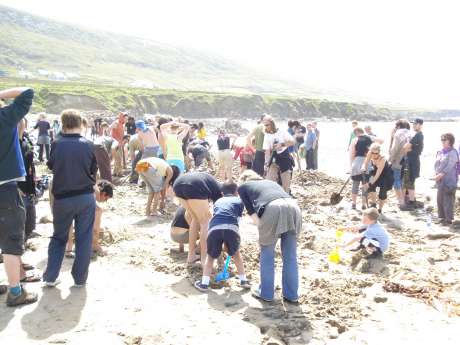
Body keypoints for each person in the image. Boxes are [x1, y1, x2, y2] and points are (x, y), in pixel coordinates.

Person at [43, 109, 97, 288]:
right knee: (84, 237)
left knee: (59, 237)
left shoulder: (57, 143)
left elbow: (51, 166)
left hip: (63, 198)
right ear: (80, 123)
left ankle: (51, 276)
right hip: (85, 196)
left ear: (63, 124)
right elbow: (92, 170)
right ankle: (80, 279)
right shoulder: (88, 144)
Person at [238, 170, 301, 303]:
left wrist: (264, 232)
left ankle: (266, 293)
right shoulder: (270, 183)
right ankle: (291, 295)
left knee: (267, 253)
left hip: (273, 208)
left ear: (243, 180)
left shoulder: (243, 187)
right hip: (294, 207)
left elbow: (253, 215)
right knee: (290, 255)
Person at [0, 87, 38, 306]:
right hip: (5, 189)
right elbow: (27, 92)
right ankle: (15, 292)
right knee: (11, 243)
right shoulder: (4, 118)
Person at [194, 182, 251, 292]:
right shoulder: (239, 201)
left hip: (215, 227)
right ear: (236, 192)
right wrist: (231, 241)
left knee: (210, 256)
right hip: (232, 227)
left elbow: (216, 215)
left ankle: (204, 283)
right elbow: (237, 221)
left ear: (221, 193)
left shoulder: (218, 201)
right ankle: (243, 280)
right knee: (236, 254)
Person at [173, 172, 223, 266]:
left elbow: (188, 216)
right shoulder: (220, 193)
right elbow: (219, 217)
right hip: (195, 185)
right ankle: (204, 259)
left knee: (195, 219)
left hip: (178, 184)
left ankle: (191, 256)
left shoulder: (211, 183)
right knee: (205, 221)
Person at [65, 180, 114, 258]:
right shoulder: (95, 192)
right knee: (97, 211)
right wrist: (96, 245)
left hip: (61, 194)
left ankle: (68, 249)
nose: (104, 201)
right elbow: (94, 229)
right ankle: (93, 246)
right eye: (106, 199)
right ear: (104, 194)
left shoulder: (88, 183)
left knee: (68, 221)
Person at [341, 208, 390, 273]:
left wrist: (344, 245)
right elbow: (359, 226)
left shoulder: (373, 229)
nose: (362, 220)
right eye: (363, 217)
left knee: (362, 238)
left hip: (381, 248)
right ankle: (364, 247)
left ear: (372, 220)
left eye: (365, 219)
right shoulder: (373, 223)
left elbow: (357, 237)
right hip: (379, 242)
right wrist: (345, 228)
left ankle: (375, 254)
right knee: (361, 230)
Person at [264, 118, 295, 193]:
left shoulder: (282, 132)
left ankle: (286, 197)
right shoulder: (267, 135)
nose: (266, 127)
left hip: (284, 157)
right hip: (274, 157)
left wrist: (282, 144)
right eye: (264, 125)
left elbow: (292, 141)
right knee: (269, 181)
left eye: (267, 125)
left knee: (286, 183)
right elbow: (267, 151)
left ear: (272, 124)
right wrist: (266, 163)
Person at [433, 133, 459, 225]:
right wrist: (436, 174)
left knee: (448, 199)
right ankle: (441, 217)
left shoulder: (453, 152)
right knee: (439, 198)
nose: (443, 141)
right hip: (440, 180)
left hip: (450, 180)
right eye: (442, 140)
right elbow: (437, 164)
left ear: (450, 141)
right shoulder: (441, 151)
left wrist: (440, 174)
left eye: (445, 140)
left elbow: (450, 166)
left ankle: (448, 219)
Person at [363, 144, 394, 214]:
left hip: (385, 175)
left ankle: (380, 209)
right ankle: (373, 204)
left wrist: (370, 183)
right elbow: (365, 162)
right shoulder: (370, 153)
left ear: (379, 152)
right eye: (372, 153)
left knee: (382, 193)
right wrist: (363, 167)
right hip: (375, 171)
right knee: (371, 188)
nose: (374, 155)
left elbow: (378, 174)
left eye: (376, 153)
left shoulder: (382, 158)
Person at [389, 119, 411, 210]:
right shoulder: (411, 133)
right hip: (410, 160)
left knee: (396, 180)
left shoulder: (398, 134)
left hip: (399, 160)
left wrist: (390, 160)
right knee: (404, 180)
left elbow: (394, 149)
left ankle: (401, 202)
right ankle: (405, 199)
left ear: (398, 126)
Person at [349, 127, 372, 210]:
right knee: (365, 184)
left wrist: (351, 165)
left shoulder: (355, 139)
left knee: (355, 184)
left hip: (357, 161)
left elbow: (352, 153)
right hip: (367, 162)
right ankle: (363, 204)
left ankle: (354, 203)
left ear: (357, 132)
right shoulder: (370, 138)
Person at [403, 118, 424, 208]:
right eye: (413, 124)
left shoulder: (418, 135)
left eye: (415, 124)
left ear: (420, 125)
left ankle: (411, 200)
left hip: (412, 160)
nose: (413, 125)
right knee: (409, 179)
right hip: (413, 160)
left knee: (409, 180)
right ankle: (409, 198)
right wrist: (409, 148)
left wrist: (409, 148)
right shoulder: (417, 135)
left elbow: (405, 147)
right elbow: (407, 148)